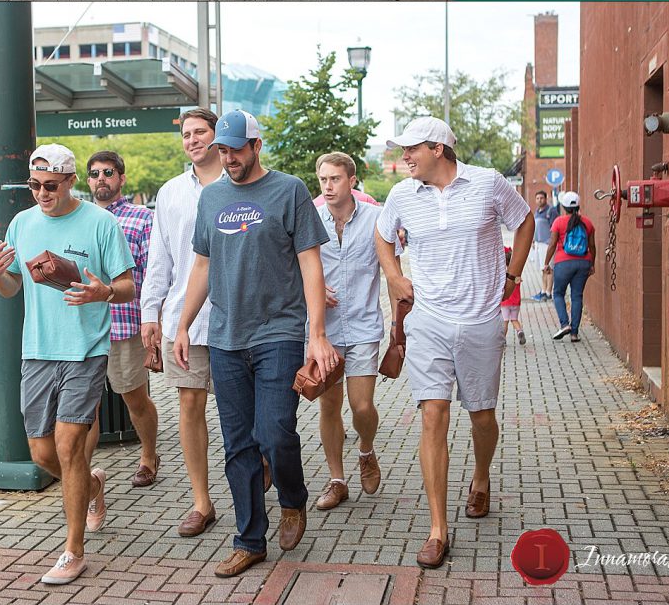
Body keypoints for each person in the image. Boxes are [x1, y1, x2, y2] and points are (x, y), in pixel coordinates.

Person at [174, 110, 338, 579]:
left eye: (236, 150)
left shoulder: (289, 191)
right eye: (223, 151)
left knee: (275, 432)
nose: (229, 159)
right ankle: (249, 540)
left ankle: (292, 498)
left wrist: (317, 333)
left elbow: (310, 263)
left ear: (256, 146)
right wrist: (183, 325)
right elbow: (202, 265)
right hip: (225, 338)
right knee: (238, 444)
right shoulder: (212, 197)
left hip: (278, 332)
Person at [374, 118, 534, 570]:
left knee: (482, 415)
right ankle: (437, 529)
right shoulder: (402, 194)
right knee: (433, 415)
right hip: (428, 320)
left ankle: (480, 477)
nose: (405, 157)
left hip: (481, 320)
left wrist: (513, 274)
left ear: (438, 148)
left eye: (412, 149)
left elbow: (525, 221)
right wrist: (394, 276)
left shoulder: (488, 183)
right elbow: (382, 236)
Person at [0, 144, 135, 586]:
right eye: (34, 185)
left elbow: (127, 286)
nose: (42, 194)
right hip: (37, 350)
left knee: (69, 447)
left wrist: (103, 293)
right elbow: (11, 288)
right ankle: (93, 485)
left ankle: (73, 551)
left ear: (70, 181)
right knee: (43, 454)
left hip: (86, 349)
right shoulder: (21, 223)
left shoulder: (101, 223)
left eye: (50, 185)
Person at [141, 108, 227, 537]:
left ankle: (261, 463)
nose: (192, 140)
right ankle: (201, 502)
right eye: (186, 134)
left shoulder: (238, 183)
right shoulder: (171, 192)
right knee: (190, 406)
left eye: (200, 132)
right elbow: (160, 258)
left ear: (217, 135)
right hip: (184, 321)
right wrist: (150, 313)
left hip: (235, 318)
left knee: (241, 410)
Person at [311, 153, 401, 512]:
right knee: (329, 404)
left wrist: (397, 327)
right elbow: (294, 267)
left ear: (352, 181)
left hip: (364, 326)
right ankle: (337, 480)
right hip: (324, 331)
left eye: (335, 179)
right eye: (323, 180)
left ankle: (366, 450)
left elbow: (393, 276)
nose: (328, 186)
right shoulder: (310, 220)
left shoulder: (377, 220)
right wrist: (314, 289)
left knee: (362, 406)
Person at [85, 150, 159, 487]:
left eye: (108, 172)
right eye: (95, 174)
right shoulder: (80, 218)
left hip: (125, 325)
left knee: (134, 398)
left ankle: (149, 455)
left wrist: (153, 321)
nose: (101, 179)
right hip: (85, 328)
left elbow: (154, 273)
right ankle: (80, 474)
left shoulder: (142, 219)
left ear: (121, 178)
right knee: (85, 408)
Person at [546, 190, 596, 343]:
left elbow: (552, 244)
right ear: (578, 206)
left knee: (558, 293)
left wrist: (546, 262)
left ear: (563, 206)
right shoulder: (587, 223)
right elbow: (592, 246)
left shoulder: (558, 222)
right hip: (583, 262)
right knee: (577, 296)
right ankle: (574, 333)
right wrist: (592, 264)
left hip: (563, 262)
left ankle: (564, 324)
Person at [530, 190, 559, 302]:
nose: (539, 200)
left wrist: (552, 242)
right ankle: (543, 291)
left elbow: (555, 229)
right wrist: (533, 241)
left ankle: (548, 292)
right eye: (537, 198)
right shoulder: (537, 212)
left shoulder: (551, 211)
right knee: (543, 269)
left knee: (549, 269)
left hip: (547, 244)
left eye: (541, 198)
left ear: (546, 199)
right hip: (538, 244)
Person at [500, 246, 526, 345]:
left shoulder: (503, 274)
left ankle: (503, 339)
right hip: (516, 302)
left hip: (505, 302)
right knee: (514, 319)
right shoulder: (516, 274)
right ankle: (519, 331)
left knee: (505, 321)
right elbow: (519, 280)